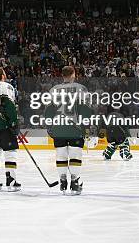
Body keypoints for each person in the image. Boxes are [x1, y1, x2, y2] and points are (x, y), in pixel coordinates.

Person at [44, 66, 92, 195]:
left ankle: (63, 181)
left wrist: (49, 126)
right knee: (75, 155)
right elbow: (85, 110)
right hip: (75, 127)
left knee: (61, 155)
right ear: (73, 74)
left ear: (62, 75)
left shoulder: (53, 90)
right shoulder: (81, 88)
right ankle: (75, 182)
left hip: (58, 127)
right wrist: (87, 128)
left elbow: (48, 110)